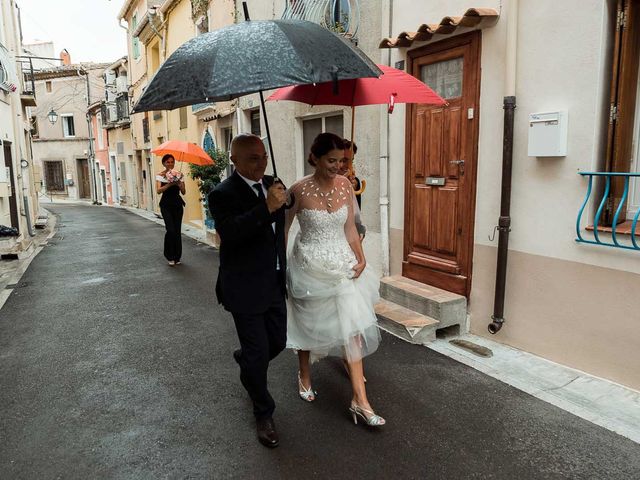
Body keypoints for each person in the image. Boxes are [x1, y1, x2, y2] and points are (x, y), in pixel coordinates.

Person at [285, 132, 385, 427]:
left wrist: (361, 256)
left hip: (342, 264)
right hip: (307, 265)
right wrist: (280, 269)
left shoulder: (345, 185)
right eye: (331, 160)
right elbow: (284, 230)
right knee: (306, 323)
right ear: (314, 157)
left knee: (351, 328)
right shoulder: (297, 190)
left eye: (341, 161)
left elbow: (351, 228)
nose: (338, 166)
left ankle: (360, 401)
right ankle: (304, 374)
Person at [208, 133, 288, 448]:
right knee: (257, 355)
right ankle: (263, 413)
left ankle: (247, 362)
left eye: (264, 156)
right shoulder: (221, 193)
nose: (261, 163)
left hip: (273, 281)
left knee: (278, 342)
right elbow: (230, 232)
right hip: (242, 285)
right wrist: (265, 208)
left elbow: (284, 215)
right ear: (235, 161)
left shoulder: (273, 183)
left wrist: (283, 199)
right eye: (253, 158)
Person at [156, 154, 186, 266]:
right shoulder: (160, 176)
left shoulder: (179, 175)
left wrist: (179, 183)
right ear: (163, 163)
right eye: (168, 162)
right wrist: (170, 184)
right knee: (170, 230)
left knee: (177, 231)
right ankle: (169, 255)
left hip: (177, 205)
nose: (170, 164)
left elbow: (183, 192)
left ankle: (177, 257)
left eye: (172, 162)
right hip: (166, 205)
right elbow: (159, 191)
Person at [340, 139, 363, 209]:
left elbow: (357, 213)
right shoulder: (323, 183)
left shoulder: (354, 182)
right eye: (344, 160)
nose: (349, 166)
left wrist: (352, 192)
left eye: (351, 161)